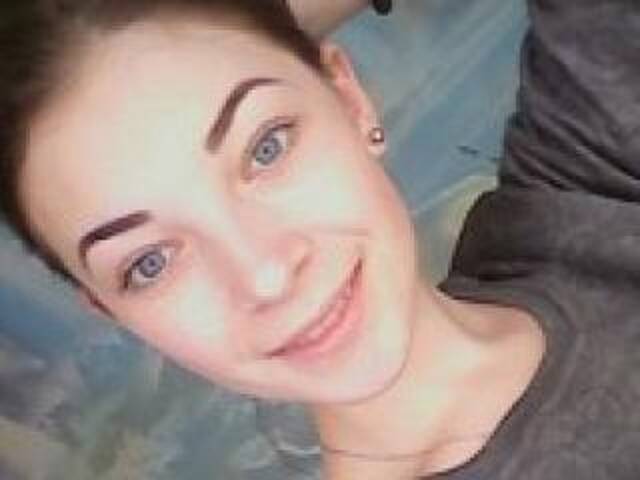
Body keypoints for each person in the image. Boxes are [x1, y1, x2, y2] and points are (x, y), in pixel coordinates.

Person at [0, 1, 637, 479]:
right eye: (150, 263)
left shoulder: (580, 183)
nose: (265, 276)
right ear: (114, 313)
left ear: (349, 100)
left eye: (266, 147)